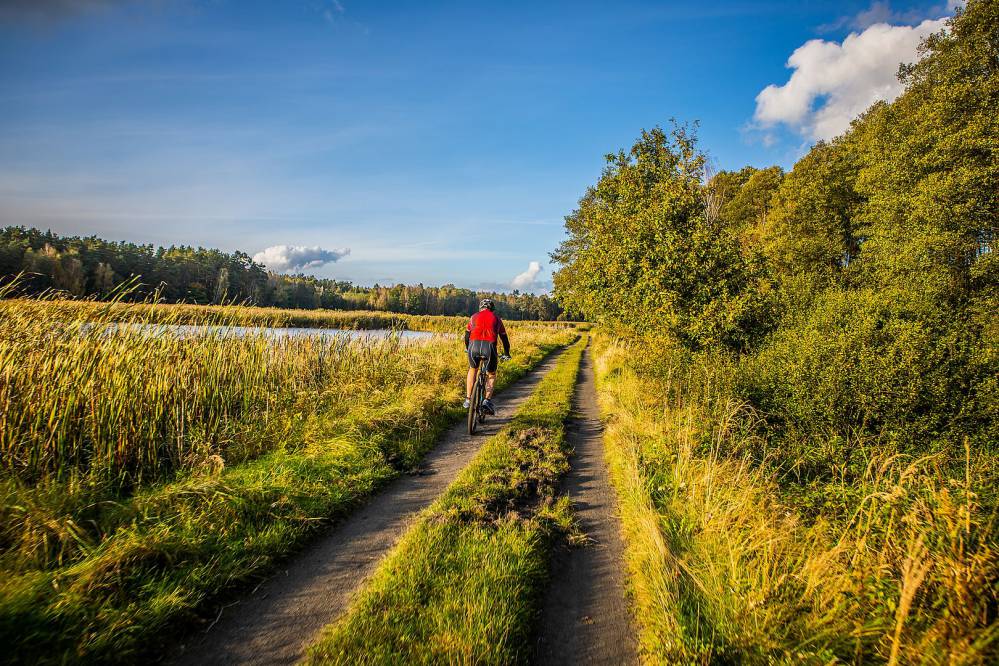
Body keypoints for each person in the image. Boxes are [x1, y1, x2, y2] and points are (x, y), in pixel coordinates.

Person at [463, 298, 511, 414]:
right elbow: (504, 338)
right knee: (491, 374)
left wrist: (468, 348)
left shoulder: (473, 317)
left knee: (473, 369)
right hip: (489, 348)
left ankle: (468, 399)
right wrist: (506, 353)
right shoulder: (497, 319)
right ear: (492, 309)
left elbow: (467, 335)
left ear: (481, 308)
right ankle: (487, 400)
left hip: (473, 346)